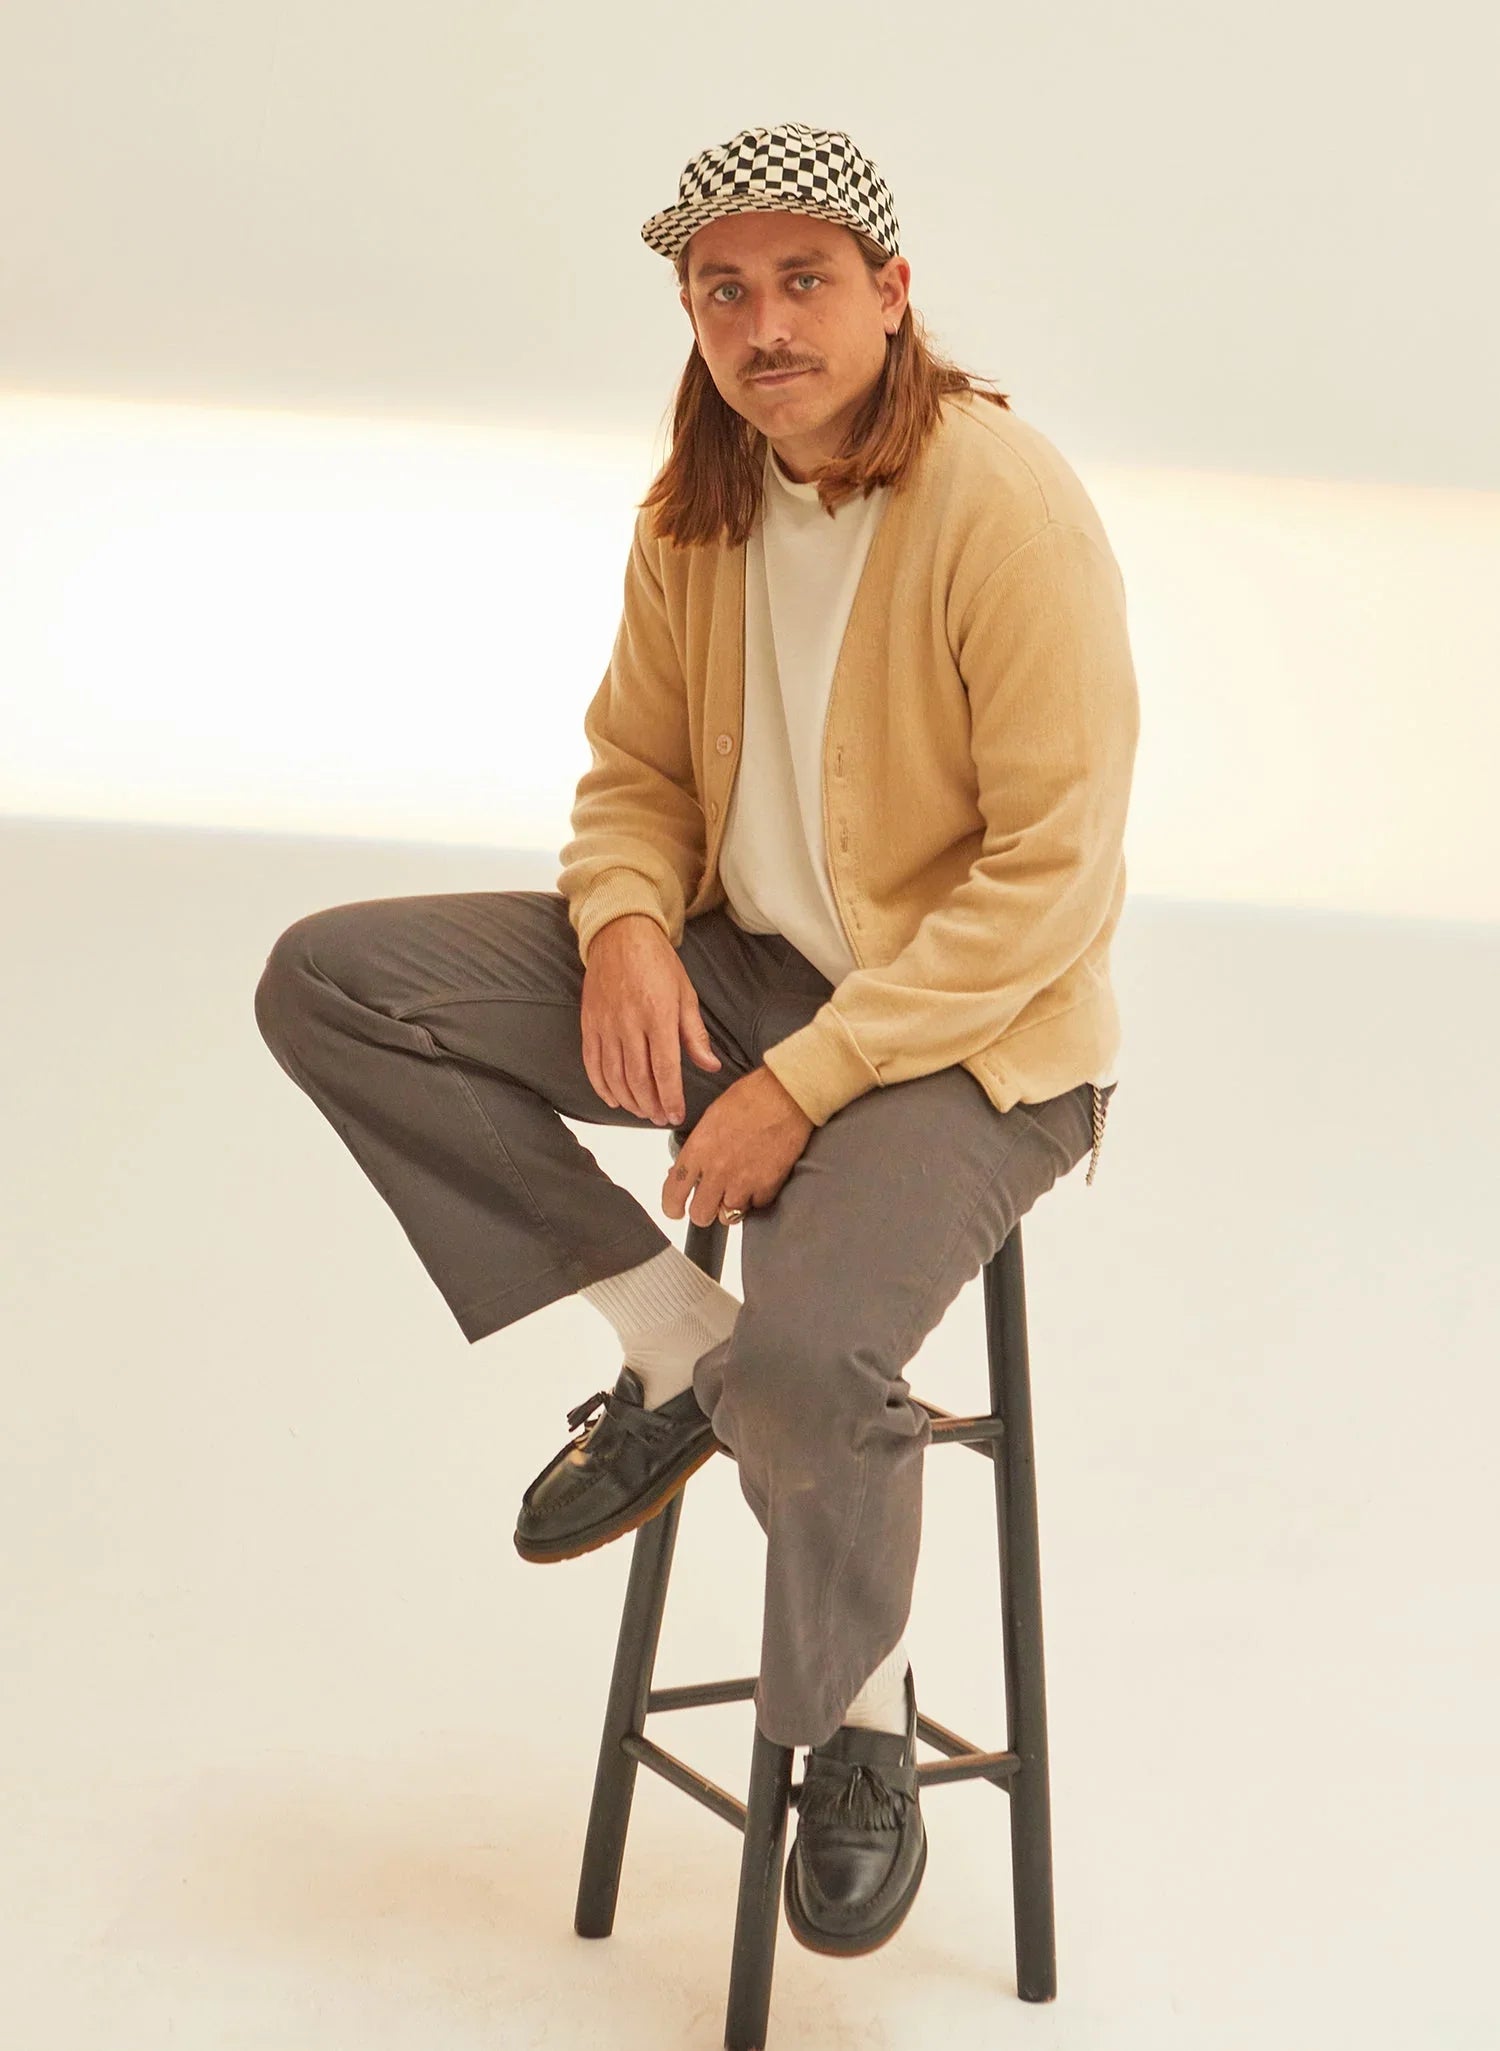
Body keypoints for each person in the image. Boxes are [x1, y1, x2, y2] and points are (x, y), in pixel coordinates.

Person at [253, 119, 1139, 1958]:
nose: (762, 324)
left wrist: (804, 1087)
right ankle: (678, 1346)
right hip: (748, 978)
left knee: (817, 1383)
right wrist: (631, 924)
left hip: (975, 1045)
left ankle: (862, 1724)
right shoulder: (700, 507)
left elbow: (1052, 880)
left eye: (802, 280)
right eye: (720, 291)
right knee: (335, 978)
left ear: (892, 295)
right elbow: (637, 777)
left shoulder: (1007, 505)